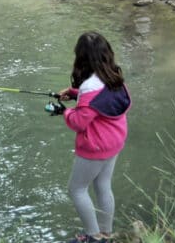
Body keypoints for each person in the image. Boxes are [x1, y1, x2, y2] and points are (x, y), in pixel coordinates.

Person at [49, 31, 131, 243]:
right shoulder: (114, 77)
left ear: (82, 58)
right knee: (103, 185)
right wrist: (74, 93)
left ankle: (93, 237)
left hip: (96, 147)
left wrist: (62, 111)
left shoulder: (89, 87)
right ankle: (106, 233)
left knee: (76, 189)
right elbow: (99, 103)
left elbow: (79, 122)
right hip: (114, 142)